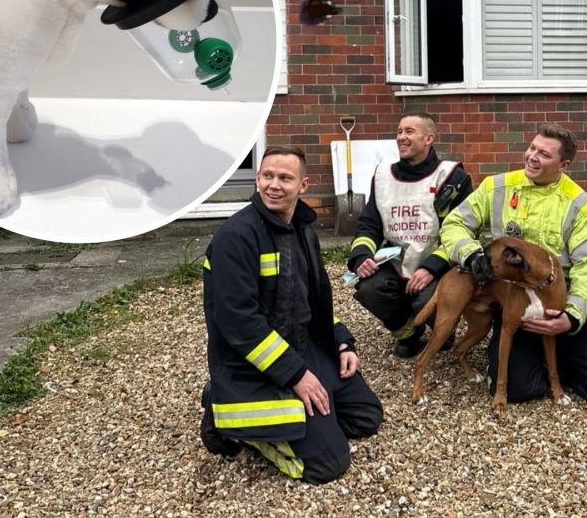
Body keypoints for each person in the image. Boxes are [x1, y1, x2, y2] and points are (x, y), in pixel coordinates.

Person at [200, 146, 383, 483]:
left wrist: (341, 341)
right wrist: (296, 375)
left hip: (300, 348)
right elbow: (238, 322)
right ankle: (225, 418)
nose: (274, 185)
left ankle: (306, 421)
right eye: (267, 176)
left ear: (303, 185)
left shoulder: (302, 230)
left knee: (365, 417)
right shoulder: (235, 238)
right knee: (328, 464)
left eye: (285, 178)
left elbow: (312, 302)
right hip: (250, 368)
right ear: (257, 179)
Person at [440, 123, 587, 403]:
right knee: (519, 390)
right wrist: (472, 255)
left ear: (563, 165)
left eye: (544, 154)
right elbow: (455, 223)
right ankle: (529, 358)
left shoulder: (581, 205)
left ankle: (557, 353)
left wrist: (571, 317)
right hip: (515, 302)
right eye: (532, 148)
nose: (532, 157)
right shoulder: (496, 186)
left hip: (559, 305)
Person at [348, 112, 473, 358]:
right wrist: (361, 256)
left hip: (440, 264)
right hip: (394, 262)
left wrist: (431, 268)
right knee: (370, 289)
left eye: (409, 132)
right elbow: (369, 224)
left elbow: (463, 231)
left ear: (429, 138)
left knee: (427, 299)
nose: (401, 137)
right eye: (399, 131)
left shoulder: (452, 178)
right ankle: (408, 333)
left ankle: (443, 330)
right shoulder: (382, 176)